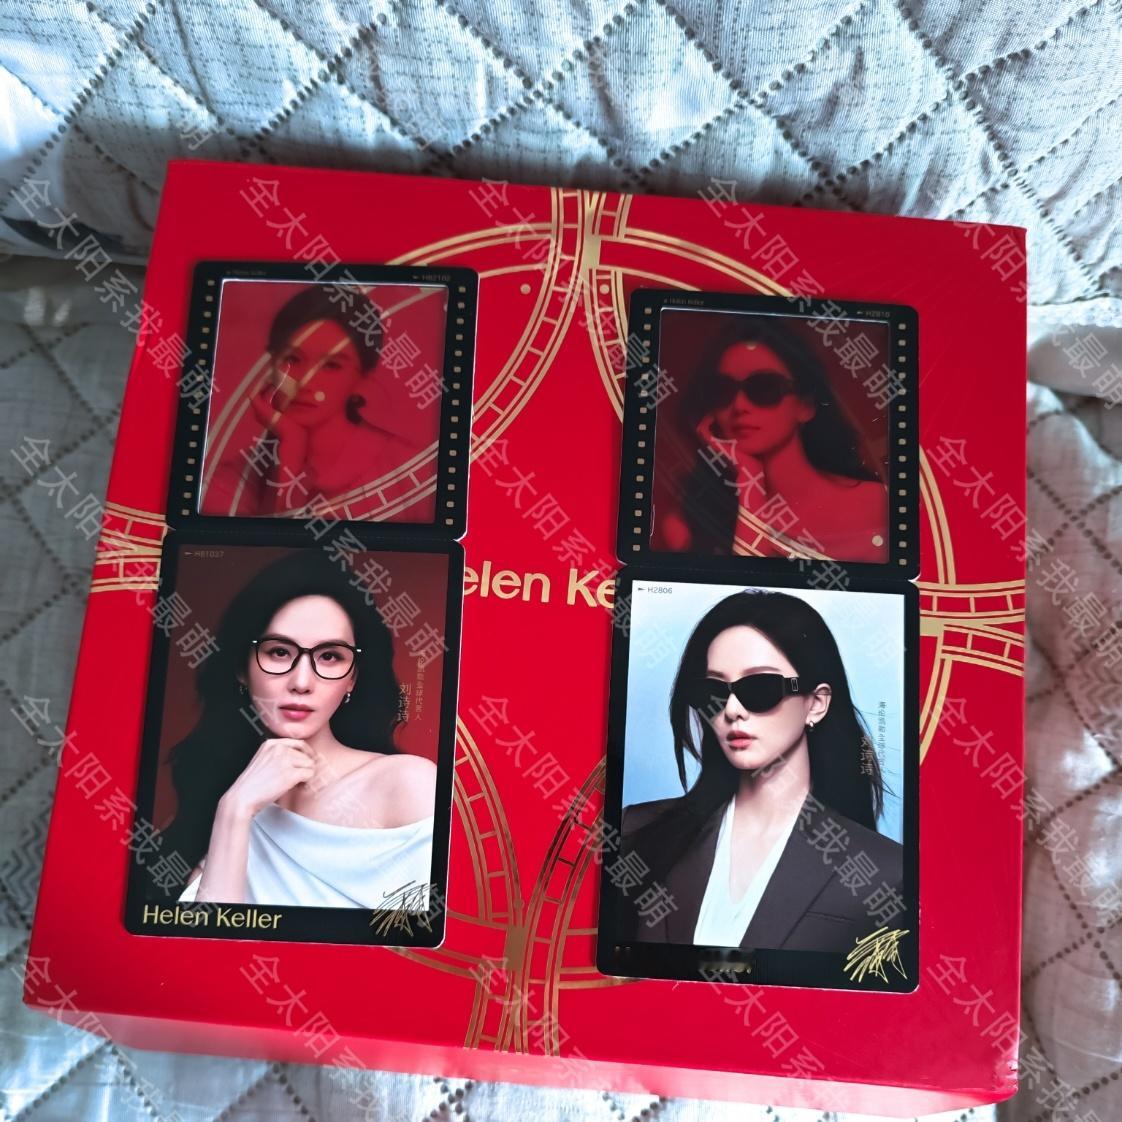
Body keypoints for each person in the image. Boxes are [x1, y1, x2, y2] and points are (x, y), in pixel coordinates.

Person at [619, 589, 903, 952]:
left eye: (760, 688)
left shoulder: (886, 871)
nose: (732, 710)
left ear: (816, 704)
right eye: (714, 692)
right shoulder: (637, 831)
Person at [156, 549, 438, 909]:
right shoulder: (230, 805)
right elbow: (204, 939)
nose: (301, 682)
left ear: (352, 678)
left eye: (330, 656)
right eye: (279, 652)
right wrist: (235, 809)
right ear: (242, 668)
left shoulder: (407, 785)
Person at [659, 318, 888, 563]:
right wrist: (750, 480)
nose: (739, 405)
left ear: (805, 406)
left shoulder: (875, 503)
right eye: (723, 391)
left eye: (764, 388)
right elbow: (745, 585)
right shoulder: (685, 525)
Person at [199, 285, 424, 519]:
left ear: (362, 380)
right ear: (272, 365)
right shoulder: (232, 482)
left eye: (332, 365)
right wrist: (292, 448)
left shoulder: (411, 469)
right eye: (293, 359)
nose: (305, 381)